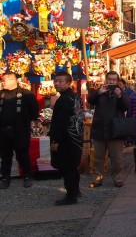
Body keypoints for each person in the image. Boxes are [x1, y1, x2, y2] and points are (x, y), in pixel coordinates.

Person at [88, 71, 129, 188]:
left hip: (115, 130)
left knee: (117, 158)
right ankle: (98, 178)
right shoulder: (100, 92)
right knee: (98, 157)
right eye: (109, 79)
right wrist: (99, 93)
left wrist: (120, 96)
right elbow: (90, 100)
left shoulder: (121, 93)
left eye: (114, 79)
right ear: (106, 80)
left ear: (117, 81)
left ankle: (118, 178)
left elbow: (126, 106)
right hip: (100, 129)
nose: (111, 81)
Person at [49, 71, 84, 205]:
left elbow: (60, 123)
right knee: (72, 166)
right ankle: (76, 191)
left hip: (66, 139)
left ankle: (71, 196)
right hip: (75, 137)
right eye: (56, 81)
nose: (57, 84)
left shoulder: (63, 100)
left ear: (69, 83)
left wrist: (56, 141)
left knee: (67, 167)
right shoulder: (74, 97)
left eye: (60, 81)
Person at [0, 71, 39, 189]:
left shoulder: (26, 94)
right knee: (5, 155)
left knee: (22, 154)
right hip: (3, 131)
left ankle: (27, 176)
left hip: (20, 130)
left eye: (4, 80)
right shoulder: (0, 94)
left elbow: (34, 112)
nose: (2, 83)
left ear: (13, 80)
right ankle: (5, 177)